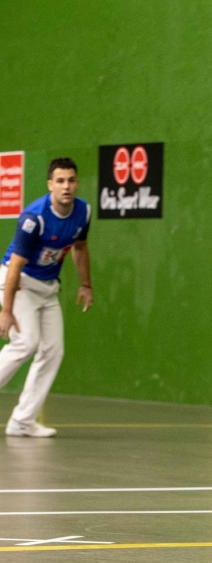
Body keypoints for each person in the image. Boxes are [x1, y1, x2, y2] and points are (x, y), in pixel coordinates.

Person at [0, 158, 93, 437]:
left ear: (77, 182)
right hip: (20, 284)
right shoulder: (34, 218)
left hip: (48, 287)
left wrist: (86, 284)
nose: (67, 186)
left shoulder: (83, 211)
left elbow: (80, 247)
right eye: (60, 181)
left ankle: (22, 421)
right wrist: (6, 310)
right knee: (26, 342)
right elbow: (16, 265)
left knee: (53, 350)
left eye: (71, 180)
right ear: (50, 184)